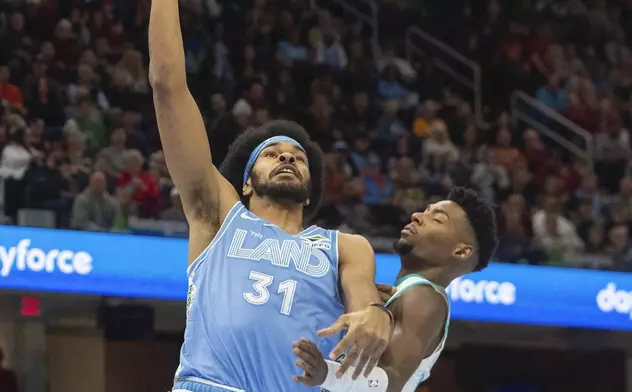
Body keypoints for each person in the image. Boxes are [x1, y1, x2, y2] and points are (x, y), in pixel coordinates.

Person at [148, 2, 393, 392]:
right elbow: (166, 84)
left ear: (310, 189)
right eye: (272, 154)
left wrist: (378, 316)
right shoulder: (218, 216)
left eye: (298, 158)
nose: (286, 158)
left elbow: (363, 314)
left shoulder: (346, 246)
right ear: (245, 183)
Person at [292, 187, 498, 392]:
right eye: (425, 210)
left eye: (437, 219)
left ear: (461, 251)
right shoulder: (405, 295)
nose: (417, 216)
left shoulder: (425, 296)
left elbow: (390, 381)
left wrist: (324, 374)